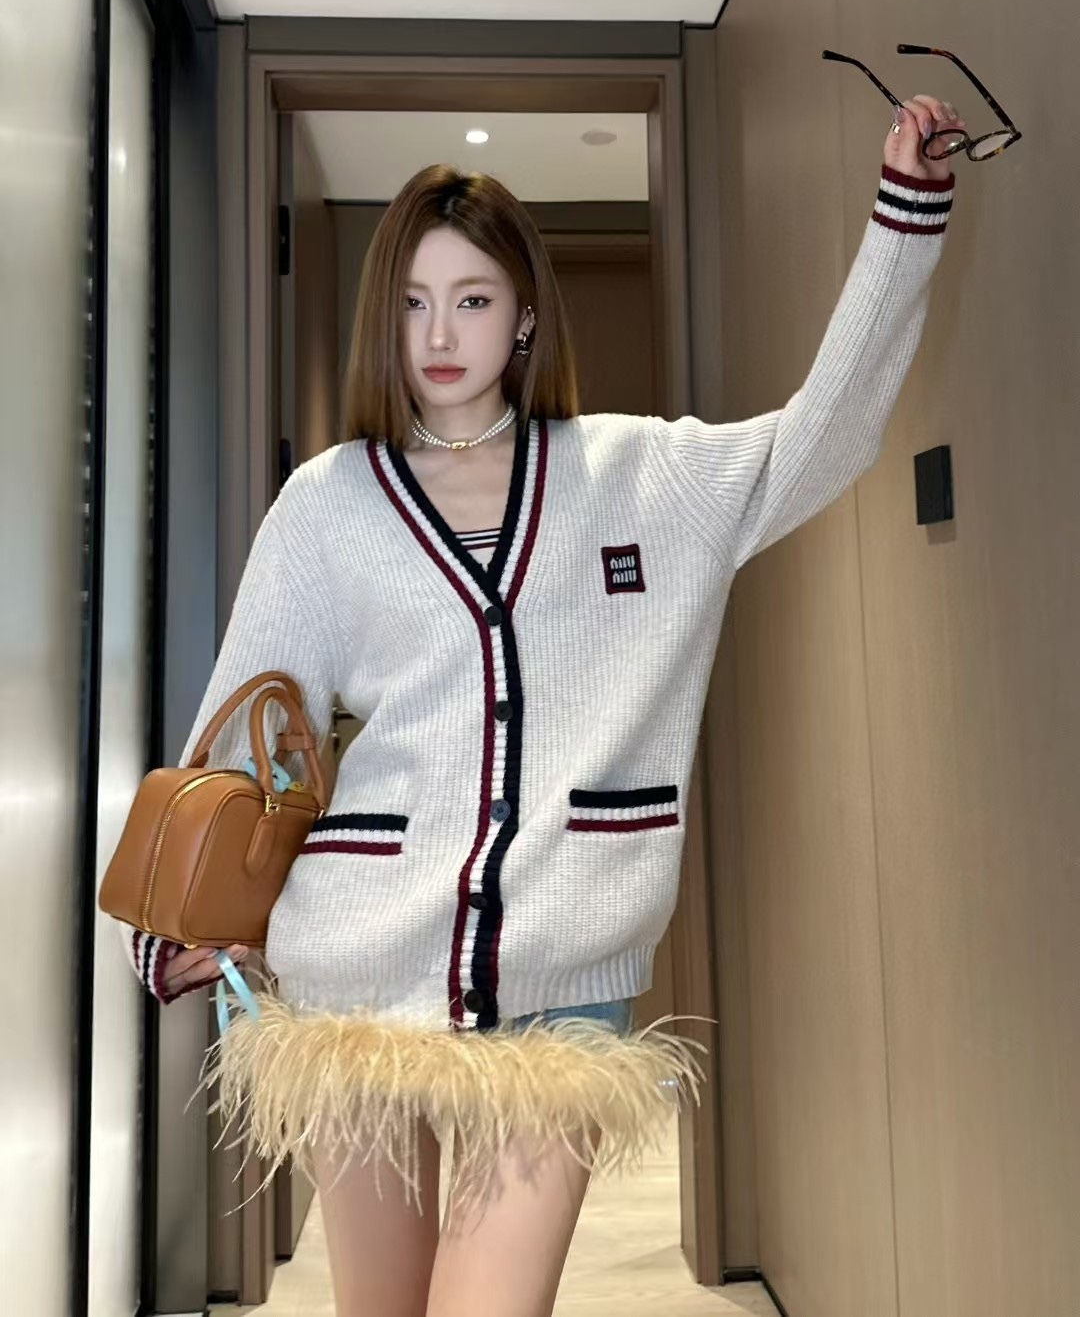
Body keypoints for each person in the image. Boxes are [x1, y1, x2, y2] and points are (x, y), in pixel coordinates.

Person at [116, 91, 962, 1317]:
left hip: (562, 976)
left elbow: (821, 439)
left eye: (470, 299)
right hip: (356, 968)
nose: (438, 332)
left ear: (522, 314)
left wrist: (905, 217)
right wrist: (171, 920)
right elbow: (243, 728)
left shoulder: (641, 474)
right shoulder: (328, 502)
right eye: (412, 301)